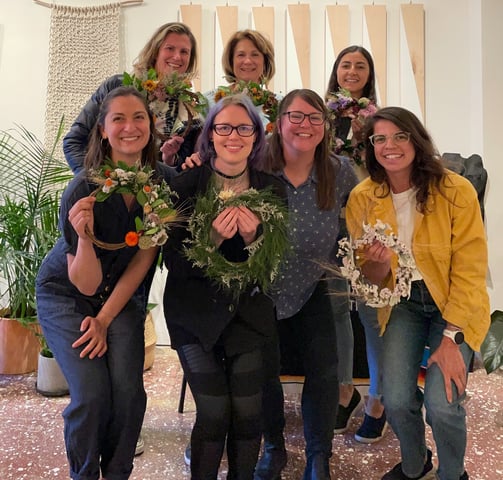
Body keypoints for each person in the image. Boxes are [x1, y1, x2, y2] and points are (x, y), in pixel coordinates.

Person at [345, 106, 490, 480]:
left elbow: (471, 271)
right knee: (394, 399)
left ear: (417, 140)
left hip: (453, 304)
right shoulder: (363, 197)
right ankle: (414, 464)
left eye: (400, 136)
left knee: (442, 406)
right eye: (379, 139)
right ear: (370, 147)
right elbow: (369, 276)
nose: (389, 146)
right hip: (400, 304)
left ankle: (453, 473)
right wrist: (376, 263)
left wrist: (451, 336)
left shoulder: (455, 191)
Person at [35, 87, 165, 480]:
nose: (130, 127)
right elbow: (86, 284)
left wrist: (106, 320)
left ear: (151, 125)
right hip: (68, 293)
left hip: (119, 296)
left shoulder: (156, 186)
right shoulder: (83, 189)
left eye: (139, 117)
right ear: (103, 131)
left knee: (129, 394)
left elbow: (144, 258)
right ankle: (85, 474)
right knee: (92, 396)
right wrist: (86, 236)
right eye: (119, 119)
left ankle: (118, 473)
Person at [162, 93, 287, 479]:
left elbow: (272, 268)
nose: (234, 135)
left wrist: (253, 241)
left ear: (256, 136)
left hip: (248, 313)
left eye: (244, 127)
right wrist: (211, 241)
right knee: (215, 414)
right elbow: (174, 264)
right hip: (193, 314)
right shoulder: (185, 186)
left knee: (249, 415)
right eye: (224, 127)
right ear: (211, 135)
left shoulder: (272, 189)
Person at [255, 89, 358, 480]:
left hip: (315, 282)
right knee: (265, 369)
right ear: (279, 124)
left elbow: (364, 214)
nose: (305, 125)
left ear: (325, 127)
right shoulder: (258, 167)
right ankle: (273, 449)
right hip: (262, 285)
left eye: (315, 117)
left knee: (324, 369)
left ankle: (319, 456)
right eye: (296, 117)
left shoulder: (339, 170)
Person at [325, 45, 386, 443]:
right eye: (345, 64)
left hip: (369, 223)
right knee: (335, 311)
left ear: (369, 75)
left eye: (360, 65)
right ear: (336, 72)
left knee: (370, 314)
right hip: (328, 221)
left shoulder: (379, 120)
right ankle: (345, 391)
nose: (352, 70)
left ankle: (378, 401)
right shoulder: (321, 116)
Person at [63, 21, 201, 172]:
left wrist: (170, 158)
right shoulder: (117, 87)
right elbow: (74, 142)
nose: (177, 57)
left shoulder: (188, 109)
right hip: (106, 188)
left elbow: (179, 169)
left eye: (184, 52)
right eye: (170, 48)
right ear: (155, 52)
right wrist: (91, 184)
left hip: (153, 193)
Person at [204, 29, 280, 130]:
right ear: (231, 61)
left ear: (265, 63)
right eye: (241, 55)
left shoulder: (280, 105)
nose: (248, 61)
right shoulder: (208, 102)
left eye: (255, 55)